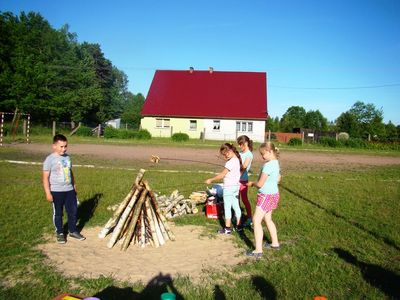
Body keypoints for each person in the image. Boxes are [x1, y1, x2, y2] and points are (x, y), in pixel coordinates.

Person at [42, 134, 86, 244]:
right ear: (54, 146)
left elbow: (70, 172)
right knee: (58, 213)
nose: (64, 149)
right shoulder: (49, 159)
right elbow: (45, 178)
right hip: (56, 191)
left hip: (69, 190)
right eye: (61, 146)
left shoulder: (67, 157)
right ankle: (60, 232)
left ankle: (72, 230)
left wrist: (74, 185)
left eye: (65, 146)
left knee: (73, 211)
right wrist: (48, 193)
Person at [246, 142, 281, 258]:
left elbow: (260, 184)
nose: (262, 157)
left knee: (256, 221)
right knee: (268, 219)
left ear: (270, 151)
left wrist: (251, 183)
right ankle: (275, 243)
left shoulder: (268, 165)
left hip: (266, 196)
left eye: (263, 154)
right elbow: (278, 178)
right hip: (274, 194)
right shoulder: (276, 163)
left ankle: (258, 250)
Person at [205, 143, 242, 234]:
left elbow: (222, 175)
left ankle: (227, 228)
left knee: (227, 208)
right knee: (236, 206)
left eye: (225, 154)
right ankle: (239, 226)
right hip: (236, 187)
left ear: (230, 151)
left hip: (229, 188)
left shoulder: (230, 162)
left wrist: (211, 180)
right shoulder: (237, 159)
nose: (225, 156)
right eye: (223, 155)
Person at [237, 135, 254, 227]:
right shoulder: (240, 153)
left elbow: (244, 166)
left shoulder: (249, 154)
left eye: (241, 144)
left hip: (243, 178)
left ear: (246, 143)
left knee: (244, 199)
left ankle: (249, 218)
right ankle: (237, 215)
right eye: (239, 144)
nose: (240, 146)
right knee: (236, 198)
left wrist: (238, 176)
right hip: (236, 176)